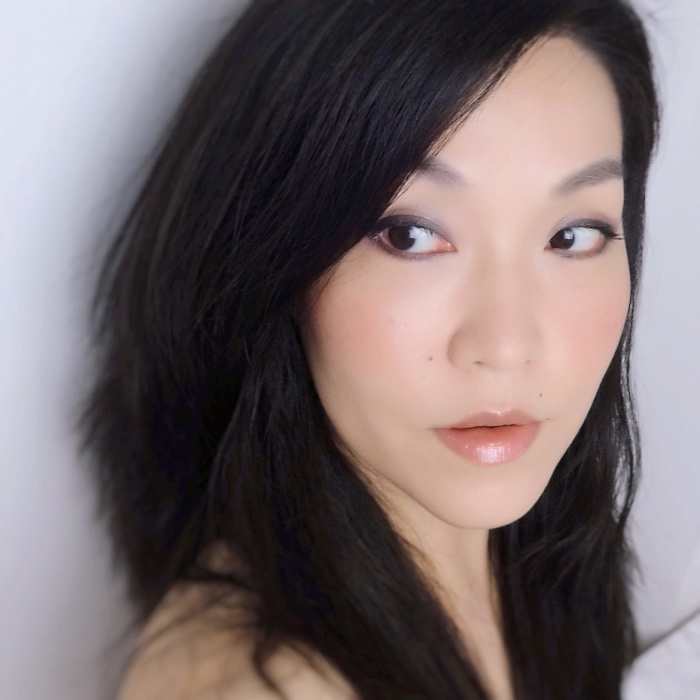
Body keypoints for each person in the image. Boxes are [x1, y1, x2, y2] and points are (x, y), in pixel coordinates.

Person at [80, 1, 659, 698]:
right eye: (411, 236)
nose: (507, 346)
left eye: (572, 236)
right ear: (277, 256)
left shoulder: (540, 561)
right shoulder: (268, 686)